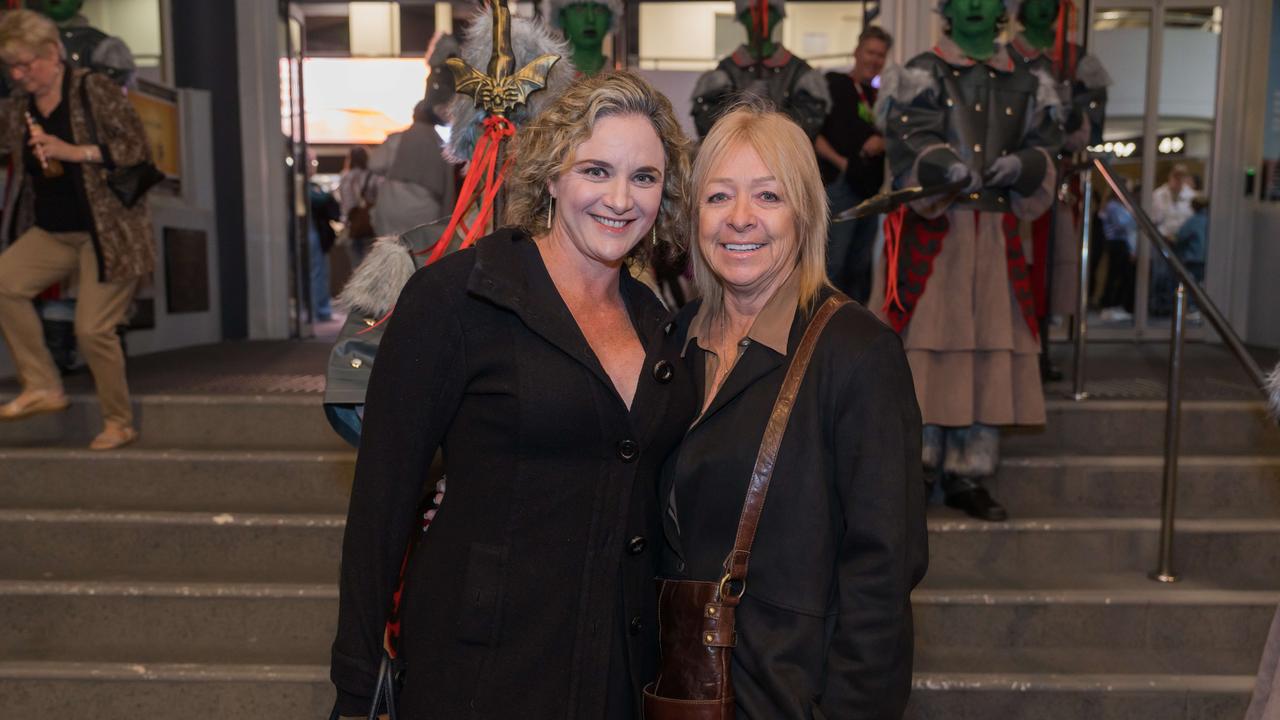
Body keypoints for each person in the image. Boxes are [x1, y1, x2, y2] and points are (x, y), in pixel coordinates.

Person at [330, 70, 698, 719]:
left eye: (644, 177)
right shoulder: (458, 298)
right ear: (552, 174)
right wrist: (358, 680)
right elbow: (381, 506)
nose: (620, 198)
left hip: (616, 667)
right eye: (595, 170)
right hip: (482, 669)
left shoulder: (660, 325)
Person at [657, 103, 927, 719]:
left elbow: (883, 575)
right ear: (693, 215)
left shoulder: (856, 354)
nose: (741, 218)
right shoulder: (672, 342)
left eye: (768, 196)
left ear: (805, 214)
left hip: (791, 697)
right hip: (680, 691)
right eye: (718, 196)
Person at [876, 0, 1062, 521]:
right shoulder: (920, 72)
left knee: (986, 345)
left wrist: (1023, 164)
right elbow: (908, 138)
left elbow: (1045, 146)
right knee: (928, 345)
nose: (977, 7)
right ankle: (918, 466)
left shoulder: (1029, 79)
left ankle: (967, 472)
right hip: (938, 233)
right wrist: (945, 167)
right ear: (947, 10)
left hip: (998, 237)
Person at [0, 9, 154, 450]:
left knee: (91, 330)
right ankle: (43, 385)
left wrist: (72, 150)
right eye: (11, 66)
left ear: (52, 52)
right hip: (53, 231)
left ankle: (119, 421)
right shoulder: (19, 107)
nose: (19, 74)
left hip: (111, 233)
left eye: (26, 64)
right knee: (6, 283)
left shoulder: (93, 88)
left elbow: (135, 148)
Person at [815, 25, 891, 303]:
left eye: (881, 55)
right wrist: (844, 164)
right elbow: (814, 135)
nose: (875, 60)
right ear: (857, 52)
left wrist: (882, 141)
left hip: (869, 192)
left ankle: (857, 330)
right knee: (836, 264)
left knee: (861, 266)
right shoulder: (835, 85)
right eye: (870, 52)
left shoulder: (877, 97)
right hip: (841, 187)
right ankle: (826, 328)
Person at [690, 0, 831, 140]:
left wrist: (769, 112)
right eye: (752, 12)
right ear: (742, 17)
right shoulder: (727, 70)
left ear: (777, 16)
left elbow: (809, 125)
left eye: (768, 11)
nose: (760, 19)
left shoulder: (797, 71)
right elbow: (706, 125)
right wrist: (739, 104)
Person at [1097, 186, 1137, 322]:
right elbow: (1121, 225)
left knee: (1119, 275)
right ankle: (1110, 305)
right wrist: (1133, 215)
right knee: (1116, 275)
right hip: (1116, 243)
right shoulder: (1113, 206)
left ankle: (1114, 305)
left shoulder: (1117, 206)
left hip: (1120, 243)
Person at [337, 145, 376, 265]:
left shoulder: (344, 177)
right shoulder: (371, 176)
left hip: (352, 228)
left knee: (356, 269)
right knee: (371, 268)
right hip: (369, 226)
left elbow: (344, 204)